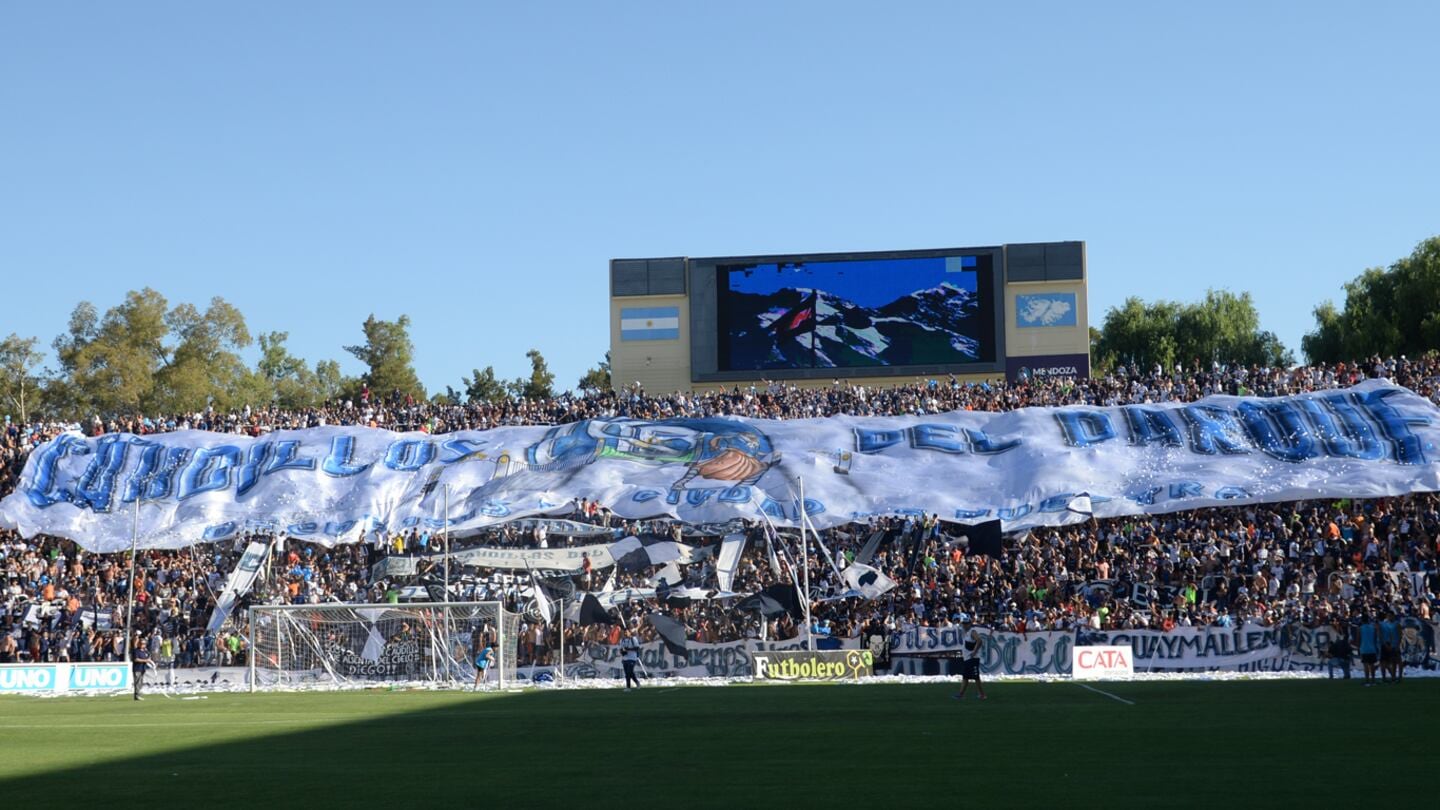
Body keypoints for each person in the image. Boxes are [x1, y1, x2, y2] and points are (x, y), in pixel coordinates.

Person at [952, 615, 987, 701]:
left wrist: (974, 652)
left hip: (973, 659)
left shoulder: (972, 631)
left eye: (966, 624)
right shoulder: (966, 633)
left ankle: (982, 694)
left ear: (970, 624)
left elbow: (979, 640)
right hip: (967, 659)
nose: (964, 625)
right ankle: (961, 694)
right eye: (964, 624)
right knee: (965, 677)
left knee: (976, 677)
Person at [1357, 614, 1380, 685]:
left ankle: (1367, 681)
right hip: (1372, 648)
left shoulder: (1360, 628)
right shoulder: (1373, 628)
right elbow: (1375, 638)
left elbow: (1358, 639)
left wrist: (1358, 648)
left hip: (1364, 648)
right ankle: (1373, 680)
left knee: (1366, 665)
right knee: (1372, 665)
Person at [132, 634, 153, 701]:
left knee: (141, 683)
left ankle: (138, 694)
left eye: (143, 644)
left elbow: (148, 657)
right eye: (141, 643)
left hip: (143, 669)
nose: (142, 645)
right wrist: (145, 660)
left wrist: (149, 660)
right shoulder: (136, 651)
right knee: (137, 683)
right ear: (138, 644)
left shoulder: (145, 651)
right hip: (137, 668)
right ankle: (137, 695)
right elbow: (136, 659)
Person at [620, 626, 642, 691]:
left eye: (626, 632)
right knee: (629, 673)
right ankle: (637, 682)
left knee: (629, 672)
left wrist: (628, 649)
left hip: (632, 658)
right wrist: (622, 652)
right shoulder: (622, 640)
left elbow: (637, 648)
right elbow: (621, 648)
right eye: (624, 632)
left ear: (629, 632)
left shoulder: (633, 639)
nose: (625, 634)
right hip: (625, 658)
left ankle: (628, 687)